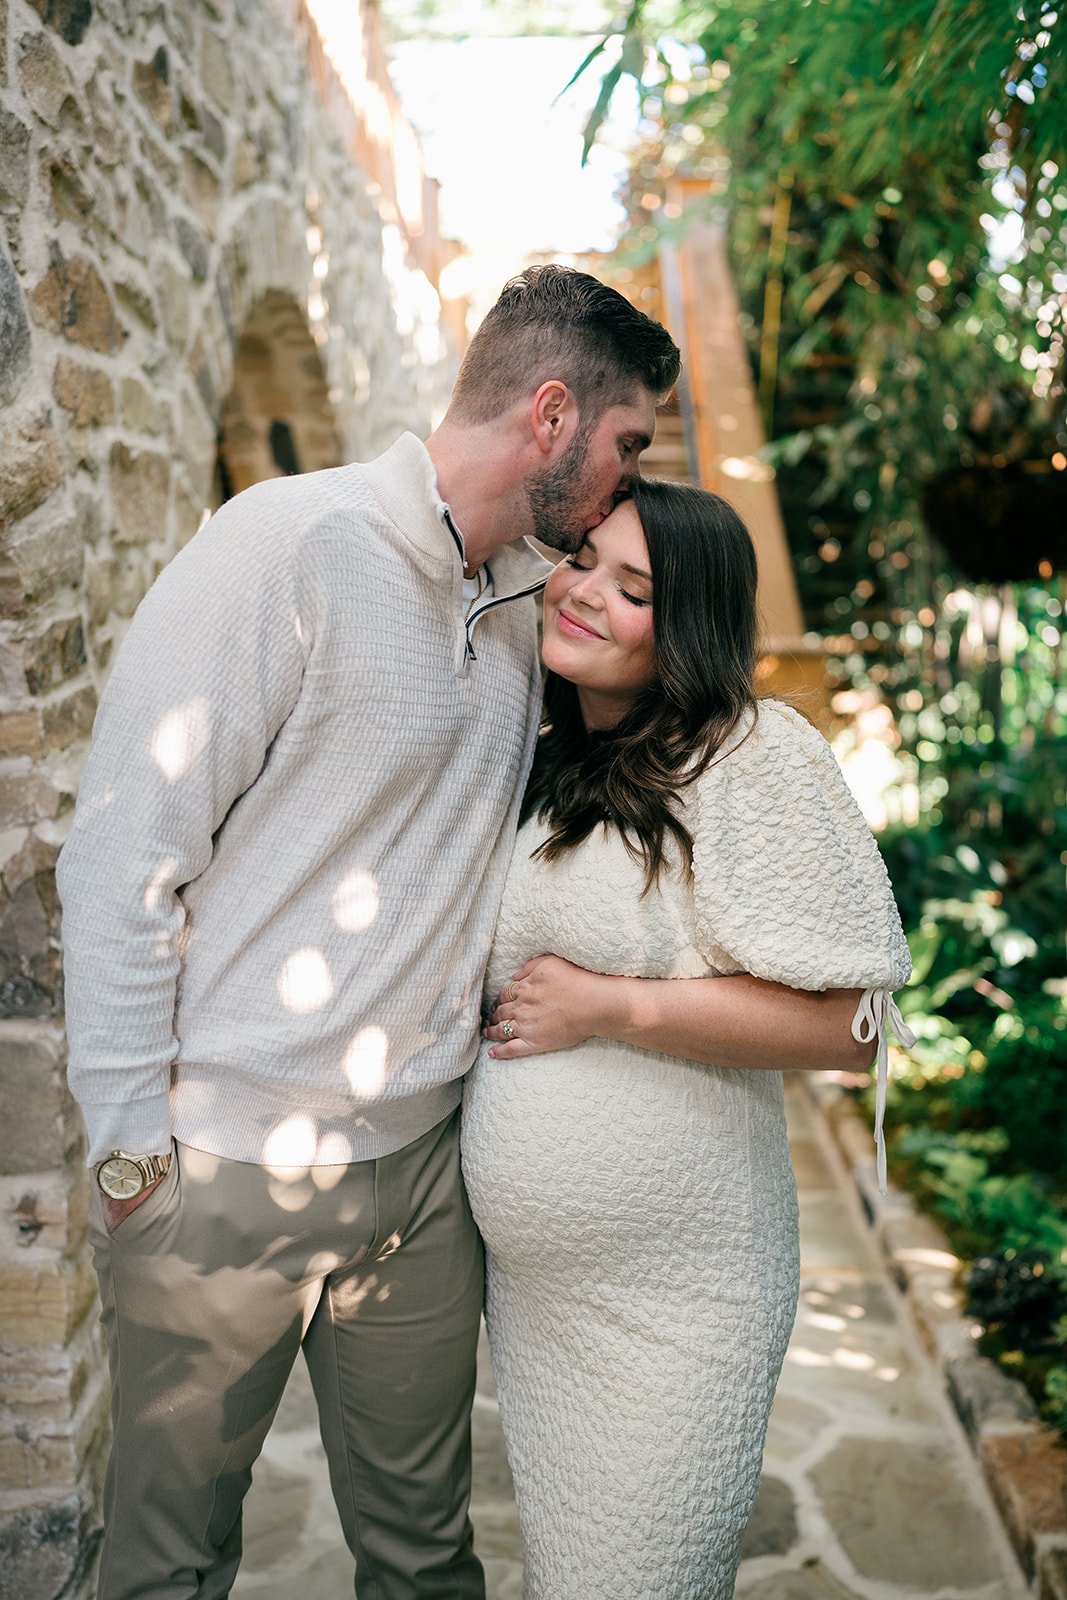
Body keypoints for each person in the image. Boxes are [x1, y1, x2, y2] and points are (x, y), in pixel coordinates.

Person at [55, 265, 681, 1600]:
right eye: (626, 444)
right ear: (551, 414)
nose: (625, 480)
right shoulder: (282, 545)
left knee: (424, 1561)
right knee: (167, 1566)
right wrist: (128, 1159)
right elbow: (122, 856)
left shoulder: (531, 603)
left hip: (417, 1188)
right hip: (220, 1175)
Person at [461, 477, 913, 1600]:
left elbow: (846, 1024)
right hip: (541, 1301)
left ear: (690, 622)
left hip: (680, 1298)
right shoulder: (544, 753)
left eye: (634, 588)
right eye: (580, 563)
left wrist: (610, 1004)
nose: (582, 596)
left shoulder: (748, 752)